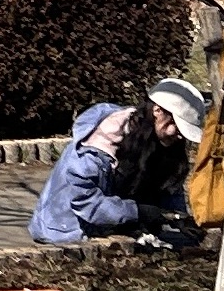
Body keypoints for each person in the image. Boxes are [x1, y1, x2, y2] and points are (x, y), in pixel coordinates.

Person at [30, 79, 206, 245]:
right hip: (66, 231)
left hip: (115, 226)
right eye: (177, 125)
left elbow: (169, 186)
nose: (181, 135)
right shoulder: (97, 147)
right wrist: (138, 212)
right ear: (157, 111)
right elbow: (85, 201)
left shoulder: (161, 140)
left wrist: (178, 216)